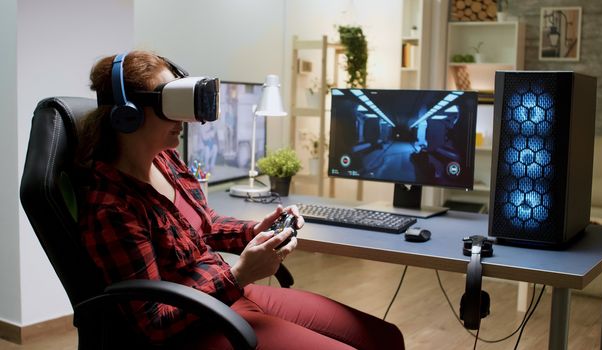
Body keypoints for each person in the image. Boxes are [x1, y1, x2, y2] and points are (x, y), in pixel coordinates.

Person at [76, 50, 404, 350]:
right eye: (168, 104)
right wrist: (241, 274)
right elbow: (155, 321)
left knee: (386, 338)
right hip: (197, 322)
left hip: (229, 293)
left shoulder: (165, 160)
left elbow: (203, 226)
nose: (184, 119)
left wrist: (256, 230)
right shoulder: (112, 208)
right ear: (127, 115)